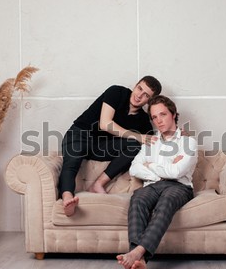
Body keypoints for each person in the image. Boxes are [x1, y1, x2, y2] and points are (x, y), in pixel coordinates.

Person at [116, 95, 198, 269]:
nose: (158, 120)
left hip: (179, 187)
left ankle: (137, 252)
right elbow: (134, 168)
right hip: (152, 185)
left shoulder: (188, 142)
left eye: (163, 114)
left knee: (166, 201)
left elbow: (177, 172)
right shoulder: (151, 142)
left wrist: (150, 165)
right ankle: (141, 263)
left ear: (174, 114)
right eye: (154, 117)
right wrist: (161, 172)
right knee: (137, 198)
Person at [58, 76, 162, 217]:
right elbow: (105, 123)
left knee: (134, 145)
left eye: (146, 95)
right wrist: (138, 136)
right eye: (139, 89)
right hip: (80, 134)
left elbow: (153, 141)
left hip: (101, 147)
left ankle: (98, 184)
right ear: (135, 85)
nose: (139, 96)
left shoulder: (143, 120)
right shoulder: (117, 92)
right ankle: (67, 198)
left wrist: (178, 134)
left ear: (149, 101)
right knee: (73, 159)